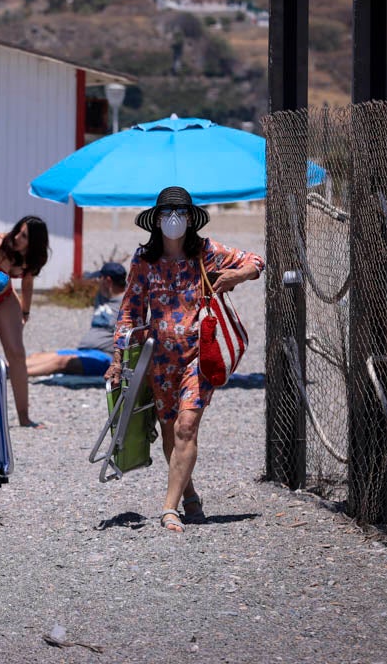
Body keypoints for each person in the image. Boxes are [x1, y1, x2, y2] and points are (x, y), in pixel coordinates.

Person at [105, 186, 264, 533]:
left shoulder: (207, 252)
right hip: (159, 359)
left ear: (191, 218)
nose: (173, 220)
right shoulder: (144, 260)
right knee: (168, 431)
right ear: (156, 220)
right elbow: (129, 310)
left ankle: (169, 508)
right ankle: (189, 495)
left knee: (186, 426)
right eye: (166, 213)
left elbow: (255, 260)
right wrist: (117, 357)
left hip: (199, 355)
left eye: (180, 213)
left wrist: (238, 275)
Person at [0, 216, 50, 427]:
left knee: (17, 353)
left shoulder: (30, 258)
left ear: (34, 243)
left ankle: (24, 416)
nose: (18, 238)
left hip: (4, 298)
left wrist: (25, 311)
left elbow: (28, 282)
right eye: (19, 232)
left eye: (25, 237)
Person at [26, 261, 128, 377]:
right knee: (37, 357)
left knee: (61, 361)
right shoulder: (102, 296)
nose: (97, 282)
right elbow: (86, 277)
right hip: (84, 351)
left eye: (100, 278)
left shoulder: (125, 304)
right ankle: (6, 367)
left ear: (107, 281)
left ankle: (16, 374)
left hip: (104, 356)